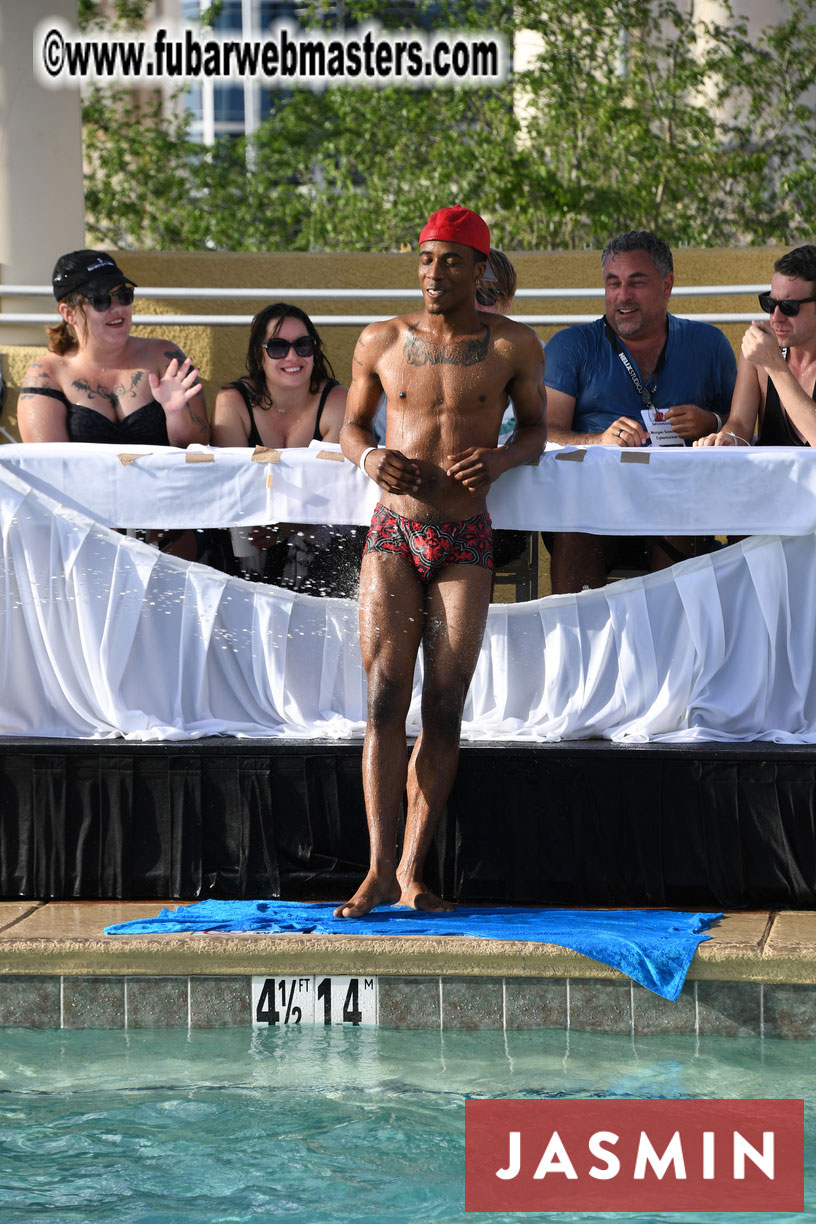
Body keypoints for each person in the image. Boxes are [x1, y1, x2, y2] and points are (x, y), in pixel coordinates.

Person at [334, 206, 547, 918]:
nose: (434, 273)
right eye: (426, 259)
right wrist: (371, 457)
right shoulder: (381, 339)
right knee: (384, 697)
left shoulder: (514, 345)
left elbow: (539, 430)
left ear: (479, 268)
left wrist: (502, 456)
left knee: (446, 706)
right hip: (394, 533)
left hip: (466, 537)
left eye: (451, 260)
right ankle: (375, 869)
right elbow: (351, 424)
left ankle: (413, 873)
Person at [543, 230, 736, 593]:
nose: (622, 296)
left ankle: (678, 645)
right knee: (577, 530)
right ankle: (577, 645)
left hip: (678, 503)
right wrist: (597, 440)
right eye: (612, 283)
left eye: (636, 283)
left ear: (667, 285)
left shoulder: (709, 344)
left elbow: (743, 428)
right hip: (592, 509)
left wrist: (711, 422)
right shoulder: (571, 346)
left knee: (683, 525)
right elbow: (544, 432)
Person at [212, 302, 361, 595]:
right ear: (260, 354)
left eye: (303, 345)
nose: (293, 356)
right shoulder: (234, 400)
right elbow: (231, 481)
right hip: (251, 527)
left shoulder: (337, 399)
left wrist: (283, 529)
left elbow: (330, 484)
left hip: (316, 526)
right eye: (278, 347)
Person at [18, 250, 208, 447]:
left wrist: (175, 413)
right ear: (69, 313)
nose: (118, 308)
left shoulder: (163, 357)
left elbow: (197, 451)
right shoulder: (48, 375)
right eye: (100, 300)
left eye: (124, 295)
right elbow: (47, 465)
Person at [694, 244, 816, 449]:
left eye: (789, 307)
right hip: (770, 480)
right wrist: (727, 438)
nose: (776, 318)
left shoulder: (767, 357)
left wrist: (776, 367)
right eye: (769, 304)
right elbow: (740, 423)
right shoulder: (758, 352)